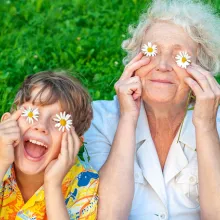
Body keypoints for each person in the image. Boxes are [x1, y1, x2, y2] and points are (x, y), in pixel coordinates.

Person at [84, 0, 220, 219]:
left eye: (180, 56)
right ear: (134, 62)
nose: (163, 65)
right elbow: (108, 215)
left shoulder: (216, 125)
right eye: (151, 51)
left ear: (201, 68)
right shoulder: (100, 120)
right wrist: (128, 118)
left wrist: (205, 127)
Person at [0, 71, 99, 220]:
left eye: (60, 121)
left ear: (75, 144)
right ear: (7, 123)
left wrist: (53, 186)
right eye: (32, 113)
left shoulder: (84, 185)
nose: (41, 126)